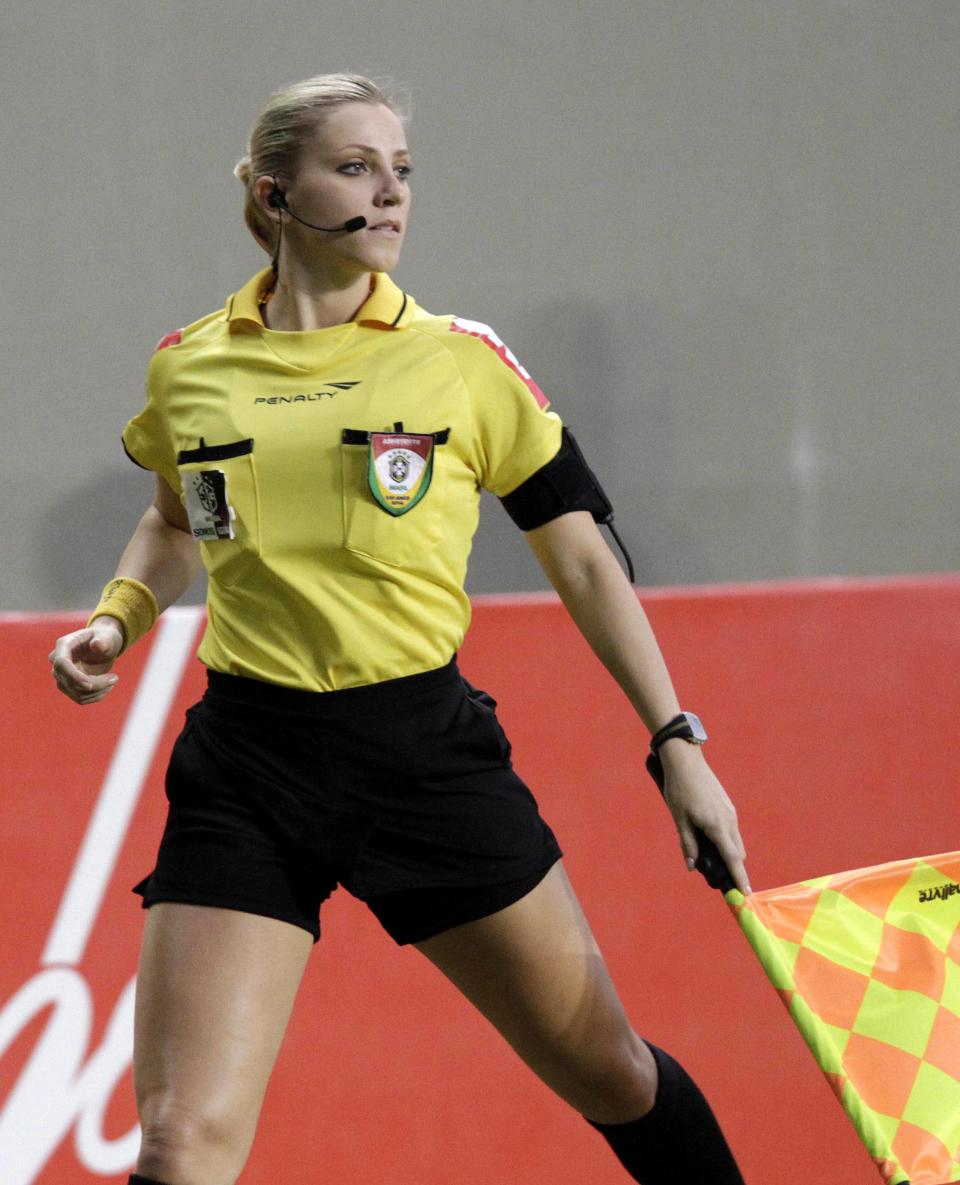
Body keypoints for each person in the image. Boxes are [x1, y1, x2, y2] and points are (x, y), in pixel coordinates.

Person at [48, 73, 751, 1185]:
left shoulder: (462, 361)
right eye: (356, 167)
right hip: (247, 768)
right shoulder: (190, 366)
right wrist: (116, 621)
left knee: (610, 1073)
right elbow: (173, 521)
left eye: (403, 171)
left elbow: (581, 554)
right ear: (279, 192)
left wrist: (677, 738)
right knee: (183, 1144)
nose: (390, 194)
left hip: (423, 761)